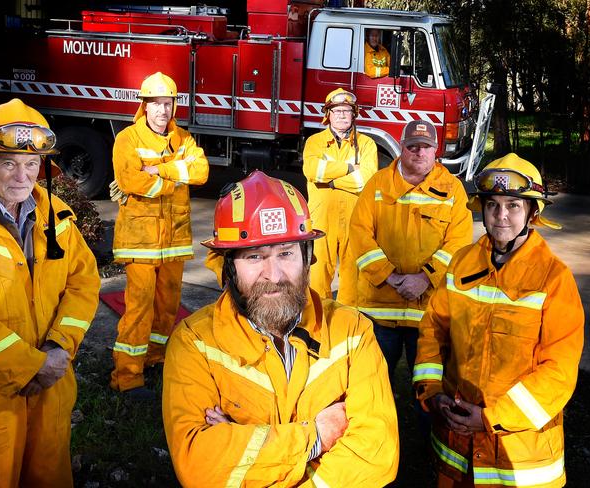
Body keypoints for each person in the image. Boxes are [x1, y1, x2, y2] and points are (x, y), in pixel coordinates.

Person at [162, 171, 399, 487]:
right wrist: (316, 436)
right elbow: (199, 465)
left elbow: (376, 455)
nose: (273, 274)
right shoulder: (195, 343)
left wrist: (244, 445)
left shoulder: (352, 331)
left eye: (286, 252)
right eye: (254, 256)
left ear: (307, 257)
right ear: (229, 267)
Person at [0, 98, 100, 487]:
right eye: (10, 162)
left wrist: (61, 347)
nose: (22, 176)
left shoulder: (58, 217)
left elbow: (83, 282)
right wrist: (32, 366)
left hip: (52, 390)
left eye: (32, 165)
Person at [412, 154, 584, 487]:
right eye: (493, 205)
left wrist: (492, 418)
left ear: (533, 213)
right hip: (457, 449)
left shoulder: (554, 279)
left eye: (513, 206)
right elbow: (433, 328)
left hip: (520, 459)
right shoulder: (461, 264)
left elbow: (558, 372)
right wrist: (432, 392)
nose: (501, 215)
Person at [109, 72, 209, 396]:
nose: (162, 111)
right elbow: (131, 181)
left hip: (174, 240)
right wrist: (176, 179)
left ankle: (155, 358)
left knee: (168, 307)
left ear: (173, 106)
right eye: (155, 104)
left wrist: (161, 170)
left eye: (167, 104)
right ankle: (127, 377)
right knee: (138, 308)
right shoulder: (128, 139)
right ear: (144, 106)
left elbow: (202, 172)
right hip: (140, 240)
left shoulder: (183, 138)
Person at [349, 120, 472, 381]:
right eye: (413, 146)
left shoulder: (453, 190)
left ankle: (425, 422)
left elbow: (459, 243)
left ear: (435, 150)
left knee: (429, 386)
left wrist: (425, 277)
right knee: (375, 383)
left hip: (429, 311)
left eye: (425, 147)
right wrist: (390, 276)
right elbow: (359, 235)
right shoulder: (378, 184)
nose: (419, 152)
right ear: (401, 148)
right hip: (380, 310)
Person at [302, 88, 379, 305]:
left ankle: (347, 325)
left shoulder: (366, 144)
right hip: (321, 221)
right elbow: (312, 170)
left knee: (353, 281)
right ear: (328, 115)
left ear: (354, 114)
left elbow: (365, 180)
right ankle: (318, 326)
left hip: (355, 221)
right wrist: (349, 167)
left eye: (347, 110)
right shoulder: (314, 142)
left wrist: (330, 180)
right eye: (336, 111)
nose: (342, 115)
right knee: (316, 279)